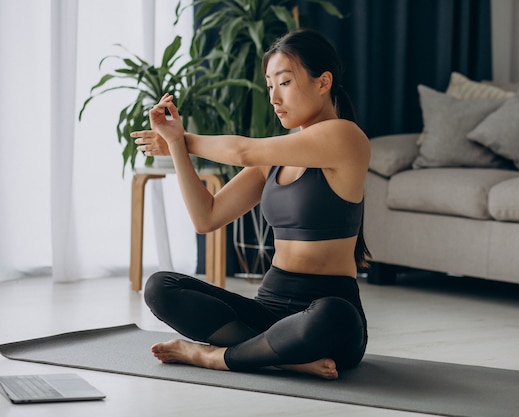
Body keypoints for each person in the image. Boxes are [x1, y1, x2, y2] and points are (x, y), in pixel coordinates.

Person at [130, 29, 370, 380]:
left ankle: (214, 357)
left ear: (324, 82)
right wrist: (177, 147)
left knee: (334, 315)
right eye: (270, 85)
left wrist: (184, 139)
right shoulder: (273, 159)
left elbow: (244, 150)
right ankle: (280, 357)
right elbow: (206, 217)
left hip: (328, 315)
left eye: (284, 82)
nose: (274, 97)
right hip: (269, 310)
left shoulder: (345, 137)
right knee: (161, 287)